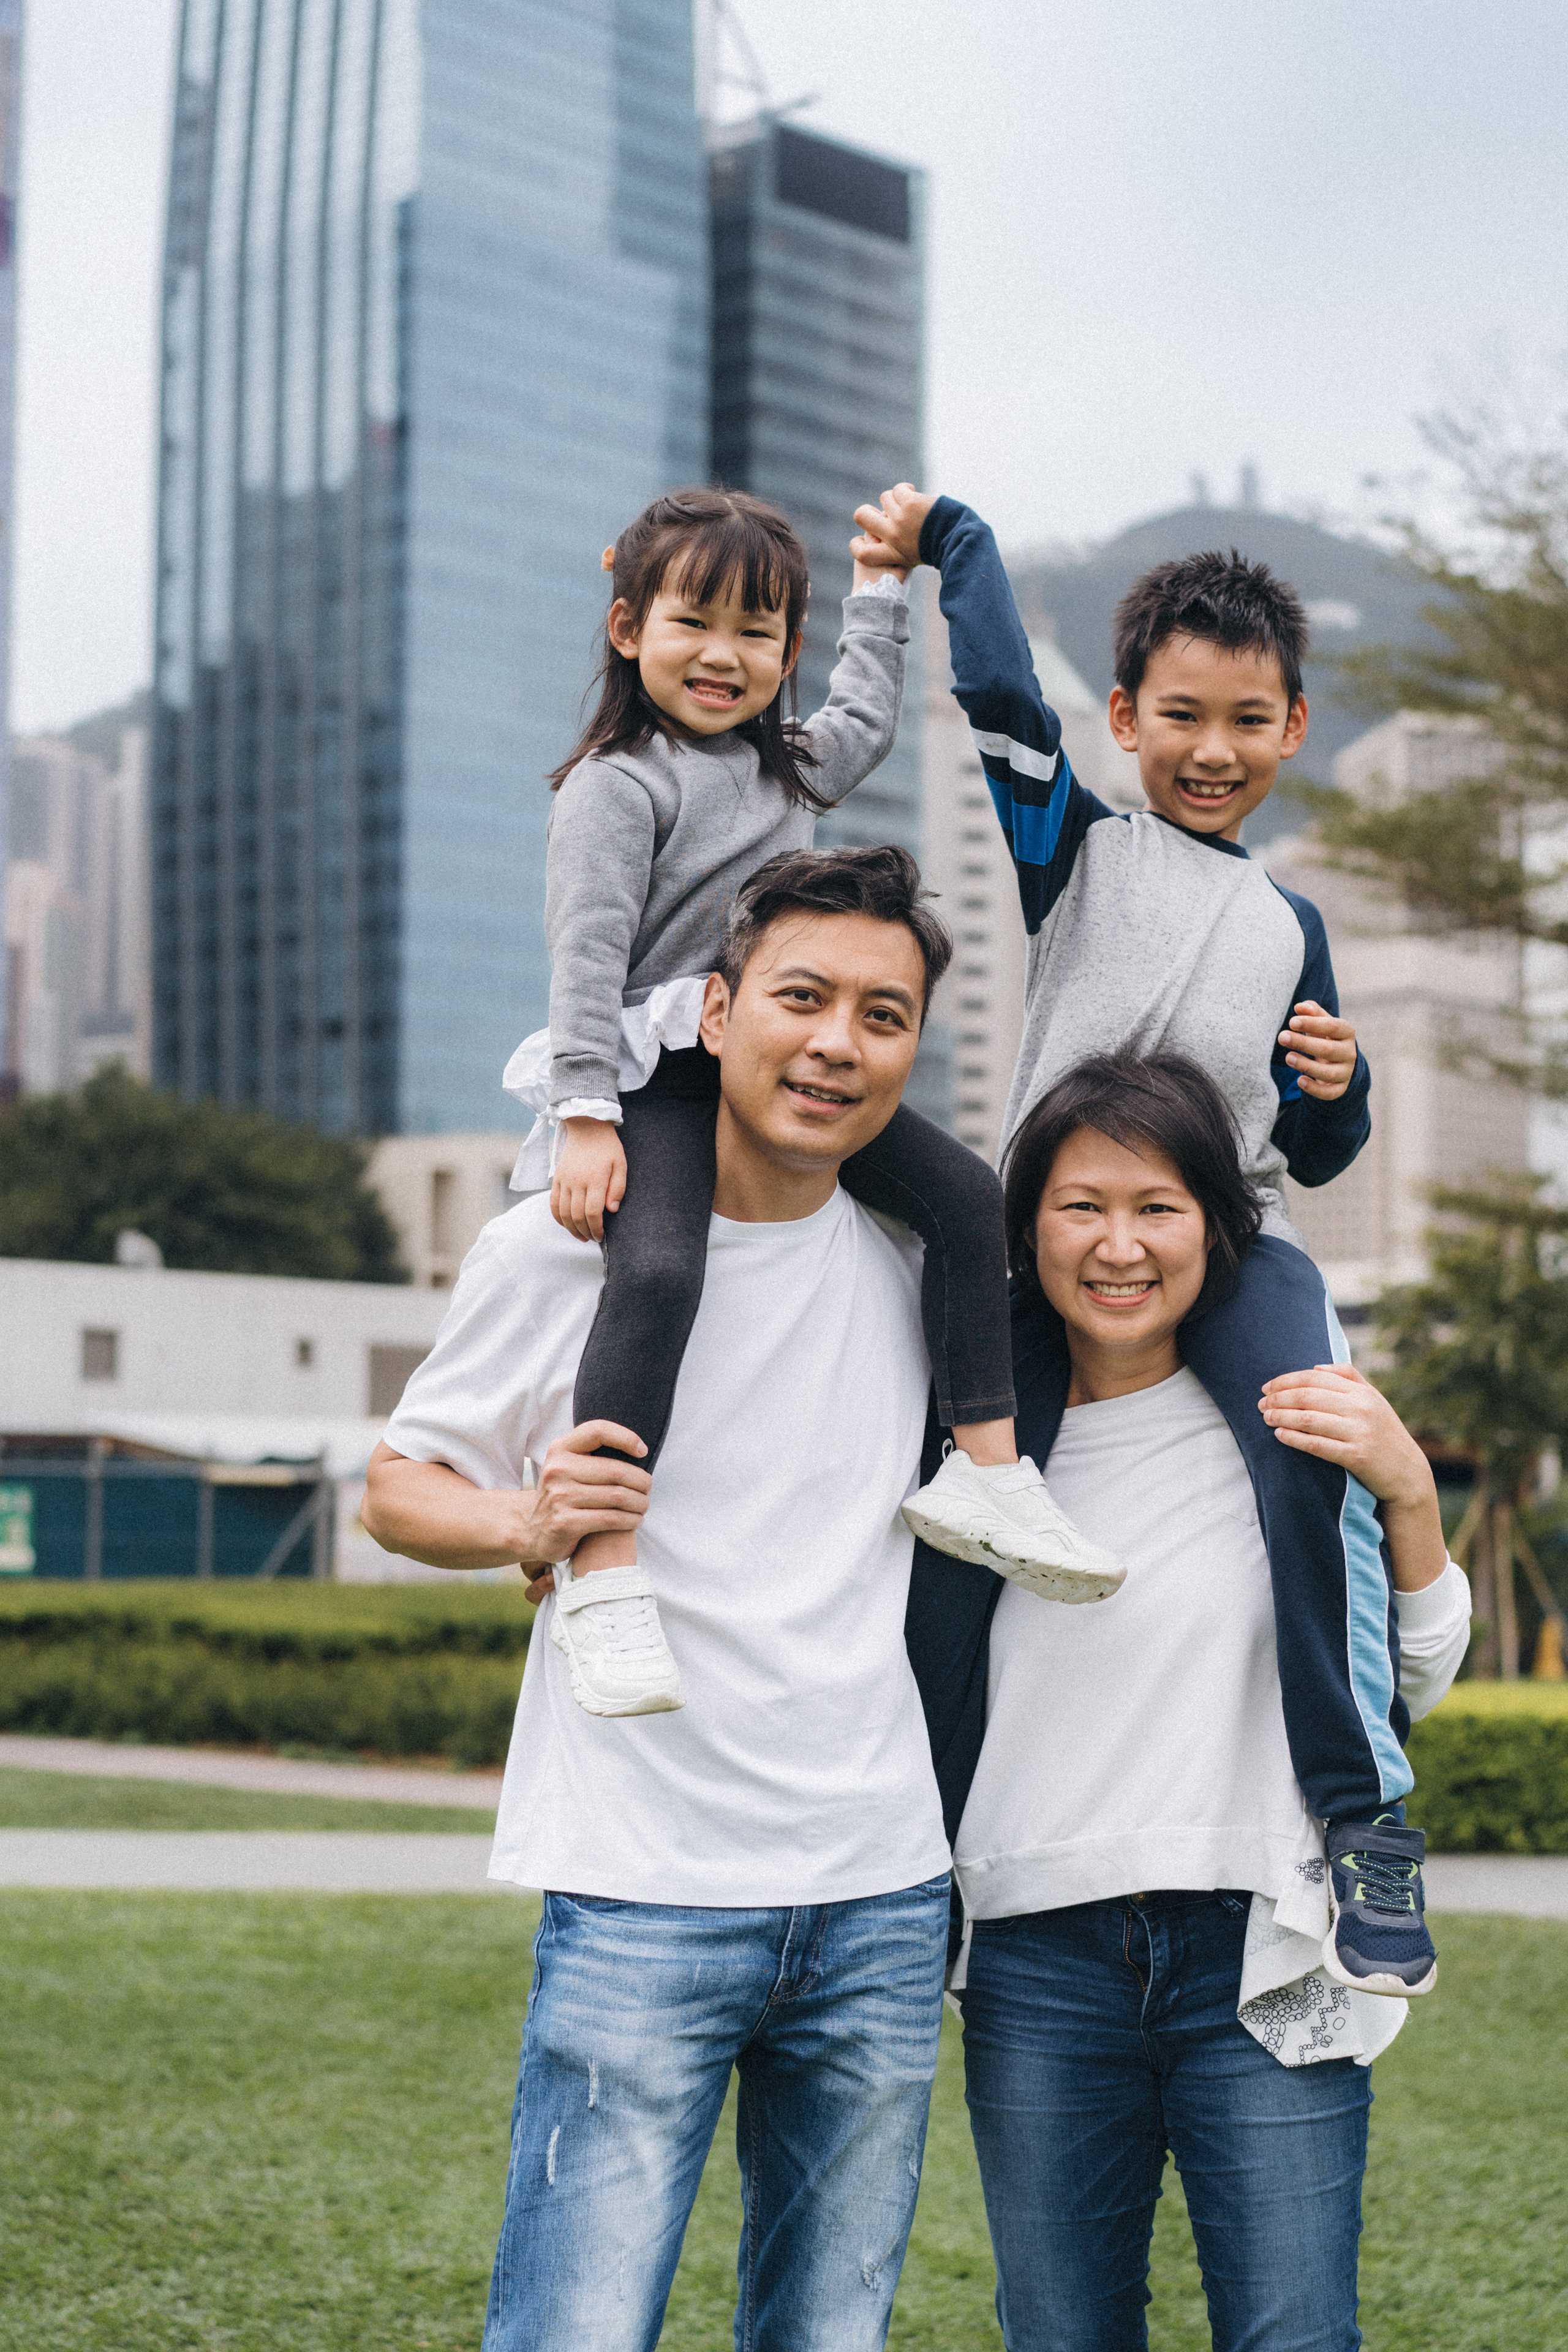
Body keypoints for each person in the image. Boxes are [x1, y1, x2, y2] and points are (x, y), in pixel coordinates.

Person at [363, 846, 974, 2352]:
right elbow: (395, 1484)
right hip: (643, 1882)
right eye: (802, 998)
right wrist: (525, 1517)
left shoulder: (917, 1265)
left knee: (827, 2334)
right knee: (575, 2330)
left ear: (910, 1051)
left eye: (882, 1015)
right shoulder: (559, 1246)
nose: (837, 1042)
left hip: (884, 1888)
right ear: (714, 1010)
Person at [854, 483, 1436, 1997]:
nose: (1210, 749)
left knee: (1314, 1465)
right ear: (1120, 716)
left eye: (1247, 720)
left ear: (1292, 728)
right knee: (962, 1538)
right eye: (1177, 714)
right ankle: (919, 1859)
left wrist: (1341, 1089)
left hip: (1232, 1244)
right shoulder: (1077, 853)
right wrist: (959, 543)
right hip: (1035, 1252)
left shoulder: (1291, 924)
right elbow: (992, 691)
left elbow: (1312, 1144)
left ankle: (1363, 1821)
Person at [503, 486, 1121, 1721]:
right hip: (660, 1077)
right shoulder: (617, 788)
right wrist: (584, 1116)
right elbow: (584, 958)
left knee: (964, 1199)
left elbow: (867, 719)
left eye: (757, 633)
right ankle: (602, 1566)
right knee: (663, 1268)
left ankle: (984, 1472)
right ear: (628, 629)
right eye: (695, 624)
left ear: (787, 652)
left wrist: (883, 587)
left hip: (777, 1063)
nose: (724, 658)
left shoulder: (784, 766)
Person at [906, 1049, 1471, 2352]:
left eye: (1155, 1208)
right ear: (1024, 1224)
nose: (1117, 1246)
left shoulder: (1285, 1427)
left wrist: (1408, 1496)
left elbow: (1406, 1681)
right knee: (1062, 2335)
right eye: (1078, 1206)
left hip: (1263, 1939)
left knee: (1289, 2336)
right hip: (1035, 1958)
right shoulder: (970, 1450)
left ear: (1215, 1226)